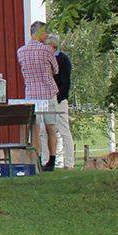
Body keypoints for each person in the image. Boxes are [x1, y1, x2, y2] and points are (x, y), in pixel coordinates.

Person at [16, 21, 60, 171]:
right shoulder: (47, 50)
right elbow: (56, 70)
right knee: (50, 127)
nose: (47, 35)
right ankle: (52, 161)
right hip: (48, 92)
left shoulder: (21, 51)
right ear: (40, 32)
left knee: (35, 129)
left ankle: (38, 159)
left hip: (31, 94)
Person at [45, 34, 75, 169]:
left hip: (59, 99)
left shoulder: (63, 59)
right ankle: (46, 160)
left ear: (53, 46)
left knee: (64, 130)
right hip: (49, 98)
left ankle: (69, 163)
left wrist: (59, 97)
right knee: (46, 130)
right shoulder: (47, 59)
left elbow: (65, 82)